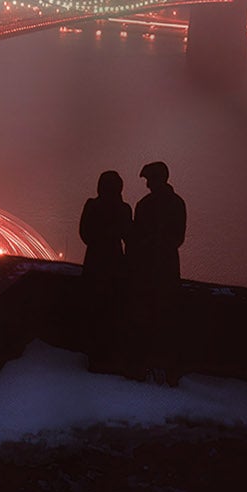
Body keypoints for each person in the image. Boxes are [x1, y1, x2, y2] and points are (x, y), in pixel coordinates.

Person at [128, 161, 187, 378]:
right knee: (162, 315)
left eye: (149, 180)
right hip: (164, 268)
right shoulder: (176, 203)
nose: (147, 185)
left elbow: (138, 239)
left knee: (151, 316)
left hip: (152, 270)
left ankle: (149, 363)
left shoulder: (145, 205)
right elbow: (177, 237)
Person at [77, 170, 131, 371]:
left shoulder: (92, 206)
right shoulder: (124, 209)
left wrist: (98, 242)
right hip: (115, 265)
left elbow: (84, 233)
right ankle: (109, 356)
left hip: (94, 263)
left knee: (95, 310)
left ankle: (95, 357)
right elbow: (129, 235)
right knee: (112, 311)